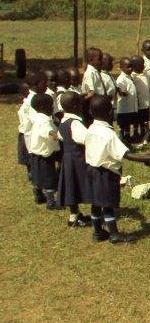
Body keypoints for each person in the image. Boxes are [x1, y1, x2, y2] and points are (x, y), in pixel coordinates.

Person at [84, 95, 150, 243]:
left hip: (91, 170)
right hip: (106, 173)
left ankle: (97, 232)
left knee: (96, 203)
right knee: (108, 204)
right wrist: (146, 159)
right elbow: (126, 154)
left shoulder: (91, 128)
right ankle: (114, 234)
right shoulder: (109, 134)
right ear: (109, 113)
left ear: (90, 112)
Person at [56, 91, 93, 228]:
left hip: (67, 158)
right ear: (76, 106)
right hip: (78, 158)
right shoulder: (75, 123)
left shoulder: (63, 120)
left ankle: (74, 215)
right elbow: (85, 138)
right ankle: (96, 214)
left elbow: (60, 136)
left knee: (71, 186)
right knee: (84, 184)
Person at [27, 93, 61, 209]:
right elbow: (47, 131)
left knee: (37, 174)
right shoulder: (45, 121)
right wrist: (55, 135)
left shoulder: (36, 117)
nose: (52, 108)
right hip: (45, 154)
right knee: (49, 177)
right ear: (43, 107)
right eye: (51, 105)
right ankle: (51, 202)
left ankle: (38, 194)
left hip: (36, 152)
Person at [17, 72, 42, 185]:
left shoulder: (28, 102)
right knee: (33, 161)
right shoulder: (33, 101)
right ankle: (36, 183)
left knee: (32, 161)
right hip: (30, 134)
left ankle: (34, 179)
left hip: (27, 134)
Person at [114, 57, 139, 145]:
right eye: (128, 67)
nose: (130, 69)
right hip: (124, 108)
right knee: (123, 125)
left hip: (130, 107)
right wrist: (122, 92)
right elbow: (119, 89)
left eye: (131, 67)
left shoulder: (129, 77)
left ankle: (127, 138)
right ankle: (122, 139)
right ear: (122, 68)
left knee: (128, 124)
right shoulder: (121, 79)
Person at [131, 57, 150, 144]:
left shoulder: (145, 75)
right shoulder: (132, 76)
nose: (143, 66)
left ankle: (144, 134)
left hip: (145, 102)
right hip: (137, 103)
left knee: (144, 119)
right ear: (135, 66)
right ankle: (136, 134)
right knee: (136, 120)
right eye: (141, 64)